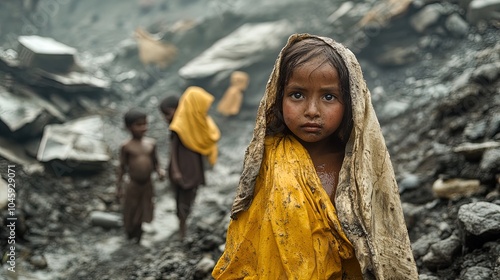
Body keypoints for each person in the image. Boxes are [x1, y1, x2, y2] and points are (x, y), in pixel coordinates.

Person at [212, 33, 419, 279]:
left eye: (328, 97)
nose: (311, 111)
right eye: (297, 95)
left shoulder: (361, 166)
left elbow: (381, 240)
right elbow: (250, 237)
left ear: (352, 102)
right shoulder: (268, 159)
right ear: (277, 98)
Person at [159, 86, 221, 240]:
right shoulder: (178, 128)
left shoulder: (194, 125)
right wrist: (175, 171)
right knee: (182, 201)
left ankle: (183, 225)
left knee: (189, 198)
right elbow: (172, 153)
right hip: (181, 171)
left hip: (192, 171)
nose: (166, 118)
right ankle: (182, 230)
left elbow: (206, 140)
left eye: (167, 114)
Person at [116, 108, 164, 244]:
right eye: (139, 125)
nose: (143, 128)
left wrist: (159, 171)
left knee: (144, 208)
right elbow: (121, 168)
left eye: (145, 124)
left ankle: (139, 234)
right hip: (133, 184)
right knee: (131, 209)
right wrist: (118, 188)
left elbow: (156, 162)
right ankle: (129, 233)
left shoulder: (151, 144)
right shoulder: (126, 146)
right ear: (128, 127)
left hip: (147, 184)